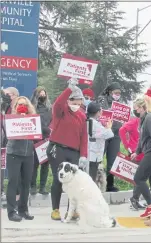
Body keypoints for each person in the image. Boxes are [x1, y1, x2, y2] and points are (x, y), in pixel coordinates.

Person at [47, 78, 88, 220]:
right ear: (68, 101)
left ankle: (71, 210)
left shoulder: (82, 116)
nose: (76, 105)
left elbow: (84, 137)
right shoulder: (61, 110)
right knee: (59, 180)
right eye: (73, 102)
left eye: (78, 103)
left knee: (73, 182)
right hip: (58, 149)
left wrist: (83, 155)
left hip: (74, 152)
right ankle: (55, 210)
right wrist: (69, 89)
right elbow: (58, 103)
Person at [6, 96, 36, 222]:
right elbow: (10, 134)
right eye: (19, 104)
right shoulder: (11, 119)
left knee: (26, 183)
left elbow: (37, 134)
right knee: (13, 182)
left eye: (24, 104)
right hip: (14, 153)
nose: (22, 106)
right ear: (16, 106)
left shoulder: (33, 119)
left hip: (28, 154)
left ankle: (23, 210)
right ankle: (11, 212)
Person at [97, 82, 122, 192]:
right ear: (110, 92)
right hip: (104, 133)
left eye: (119, 93)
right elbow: (100, 114)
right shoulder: (102, 99)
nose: (117, 95)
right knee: (99, 158)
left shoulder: (120, 104)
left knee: (112, 160)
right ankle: (96, 182)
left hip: (116, 135)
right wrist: (111, 111)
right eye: (115, 92)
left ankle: (110, 184)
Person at [30, 87, 52, 195]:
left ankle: (42, 187)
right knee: (34, 164)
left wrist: (50, 130)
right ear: (36, 95)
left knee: (45, 163)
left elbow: (53, 121)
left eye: (44, 94)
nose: (42, 96)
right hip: (35, 139)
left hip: (47, 138)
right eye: (40, 94)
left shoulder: (49, 107)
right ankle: (32, 186)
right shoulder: (31, 107)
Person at [86, 102, 114, 181]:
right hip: (94, 156)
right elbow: (108, 134)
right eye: (101, 110)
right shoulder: (95, 124)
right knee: (92, 179)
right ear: (98, 112)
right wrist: (109, 127)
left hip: (89, 154)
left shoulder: (88, 121)